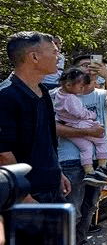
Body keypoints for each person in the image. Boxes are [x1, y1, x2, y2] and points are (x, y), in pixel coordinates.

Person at [55, 54, 107, 244]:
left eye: (94, 66)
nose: (90, 69)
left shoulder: (101, 94)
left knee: (89, 207)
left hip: (99, 159)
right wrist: (87, 131)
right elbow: (53, 127)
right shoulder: (57, 95)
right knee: (72, 208)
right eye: (84, 65)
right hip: (70, 160)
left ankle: (81, 240)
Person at [0, 32, 69, 205]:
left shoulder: (43, 91)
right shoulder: (6, 96)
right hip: (26, 197)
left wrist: (57, 172)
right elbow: (3, 154)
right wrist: (23, 195)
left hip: (52, 188)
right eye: (54, 52)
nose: (59, 58)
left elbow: (46, 140)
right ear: (34, 57)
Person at [51, 68, 107, 185]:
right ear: (69, 85)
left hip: (68, 125)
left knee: (86, 147)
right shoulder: (70, 98)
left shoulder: (58, 93)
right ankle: (102, 167)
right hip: (80, 124)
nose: (82, 89)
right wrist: (92, 114)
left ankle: (89, 172)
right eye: (80, 87)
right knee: (101, 139)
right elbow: (80, 113)